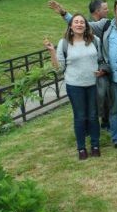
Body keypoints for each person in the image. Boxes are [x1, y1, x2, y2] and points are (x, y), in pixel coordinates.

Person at [49, 0, 117, 150]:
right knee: (114, 111)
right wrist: (63, 13)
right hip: (112, 78)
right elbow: (82, 25)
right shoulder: (105, 25)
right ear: (115, 11)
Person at [44, 14, 103, 160]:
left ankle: (95, 145)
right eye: (76, 22)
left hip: (93, 84)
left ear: (86, 25)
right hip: (75, 86)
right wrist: (52, 51)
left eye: (82, 22)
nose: (79, 24)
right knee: (80, 117)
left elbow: (101, 60)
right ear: (70, 26)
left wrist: (102, 70)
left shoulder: (95, 41)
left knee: (93, 116)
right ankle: (81, 148)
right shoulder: (64, 43)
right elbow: (59, 68)